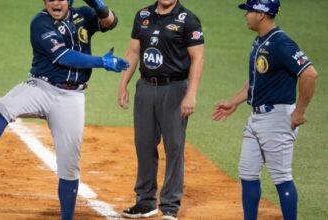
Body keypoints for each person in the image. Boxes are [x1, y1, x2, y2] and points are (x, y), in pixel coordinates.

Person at [0, 0, 128, 219]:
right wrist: (102, 62)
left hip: (72, 97)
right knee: (4, 107)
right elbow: (64, 57)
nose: (55, 3)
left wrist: (96, 4)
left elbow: (110, 22)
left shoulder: (83, 15)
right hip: (40, 87)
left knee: (69, 165)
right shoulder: (41, 23)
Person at [211, 0, 318, 219]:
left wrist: (300, 110)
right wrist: (234, 102)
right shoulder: (260, 41)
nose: (246, 15)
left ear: (261, 14)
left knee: (281, 176)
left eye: (249, 10)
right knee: (247, 172)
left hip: (277, 119)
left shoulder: (281, 43)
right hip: (256, 118)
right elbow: (254, 81)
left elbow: (309, 74)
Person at [118, 0, 204, 219]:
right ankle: (146, 202)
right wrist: (123, 84)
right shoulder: (143, 15)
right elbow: (134, 51)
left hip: (174, 89)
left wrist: (190, 94)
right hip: (146, 87)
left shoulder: (188, 20)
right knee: (144, 145)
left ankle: (170, 206)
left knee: (174, 147)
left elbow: (197, 58)